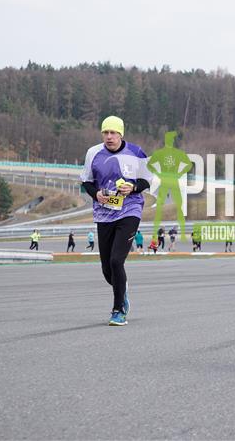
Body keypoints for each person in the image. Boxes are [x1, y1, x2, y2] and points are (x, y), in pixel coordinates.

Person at [80, 115, 152, 326]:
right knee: (107, 270)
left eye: (113, 133)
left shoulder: (136, 152)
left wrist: (134, 187)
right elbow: (86, 182)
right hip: (104, 213)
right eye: (105, 132)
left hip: (130, 210)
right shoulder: (93, 153)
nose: (109, 137)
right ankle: (122, 290)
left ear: (121, 134)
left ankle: (118, 310)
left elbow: (148, 180)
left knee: (116, 261)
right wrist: (95, 194)